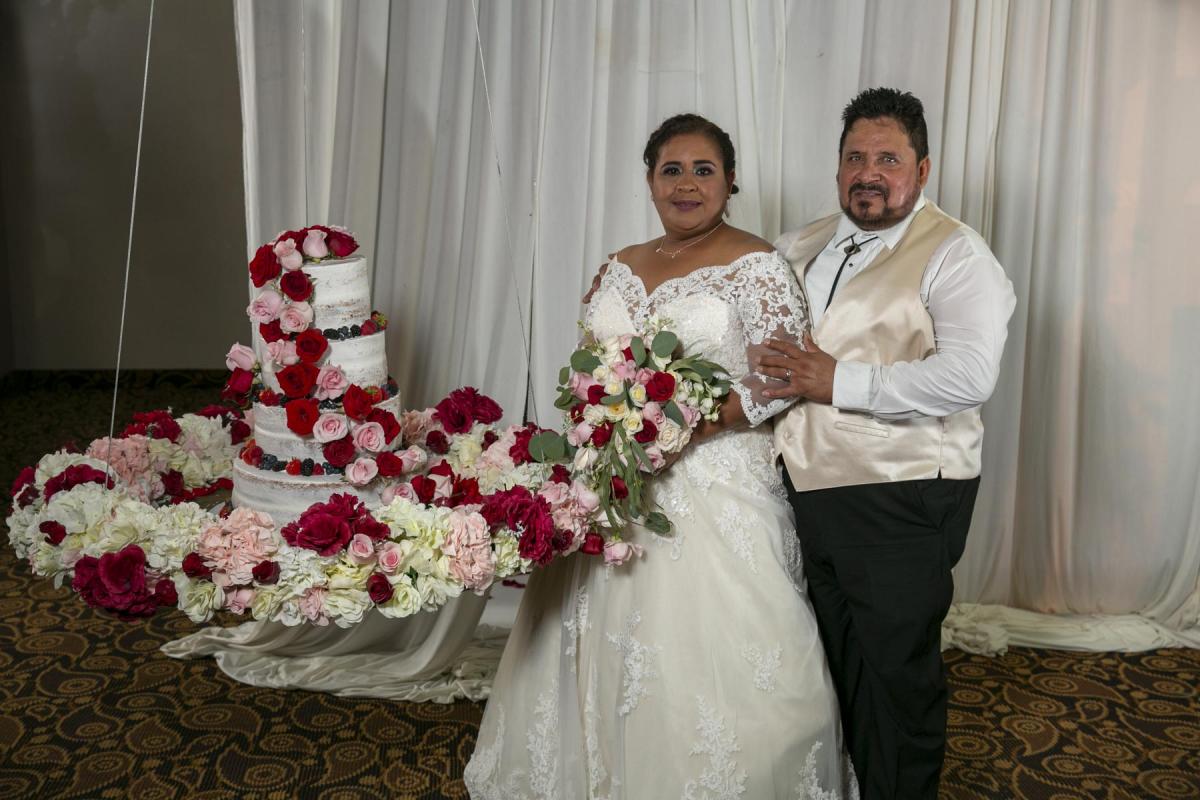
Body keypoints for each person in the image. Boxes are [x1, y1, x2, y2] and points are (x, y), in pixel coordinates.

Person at [465, 114, 853, 798]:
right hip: (609, 476)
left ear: (730, 182)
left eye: (704, 170)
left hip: (716, 476)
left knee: (719, 653)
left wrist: (688, 427)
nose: (686, 184)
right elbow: (589, 370)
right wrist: (605, 421)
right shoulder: (619, 264)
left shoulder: (757, 265)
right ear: (649, 181)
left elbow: (782, 380)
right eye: (671, 170)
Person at [757, 88, 1016, 799]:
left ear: (922, 170)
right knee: (834, 668)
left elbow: (970, 375)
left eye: (888, 160)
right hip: (804, 487)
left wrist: (838, 381)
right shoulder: (798, 244)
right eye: (855, 158)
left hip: (902, 493)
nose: (868, 173)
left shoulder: (957, 253)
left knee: (896, 677)